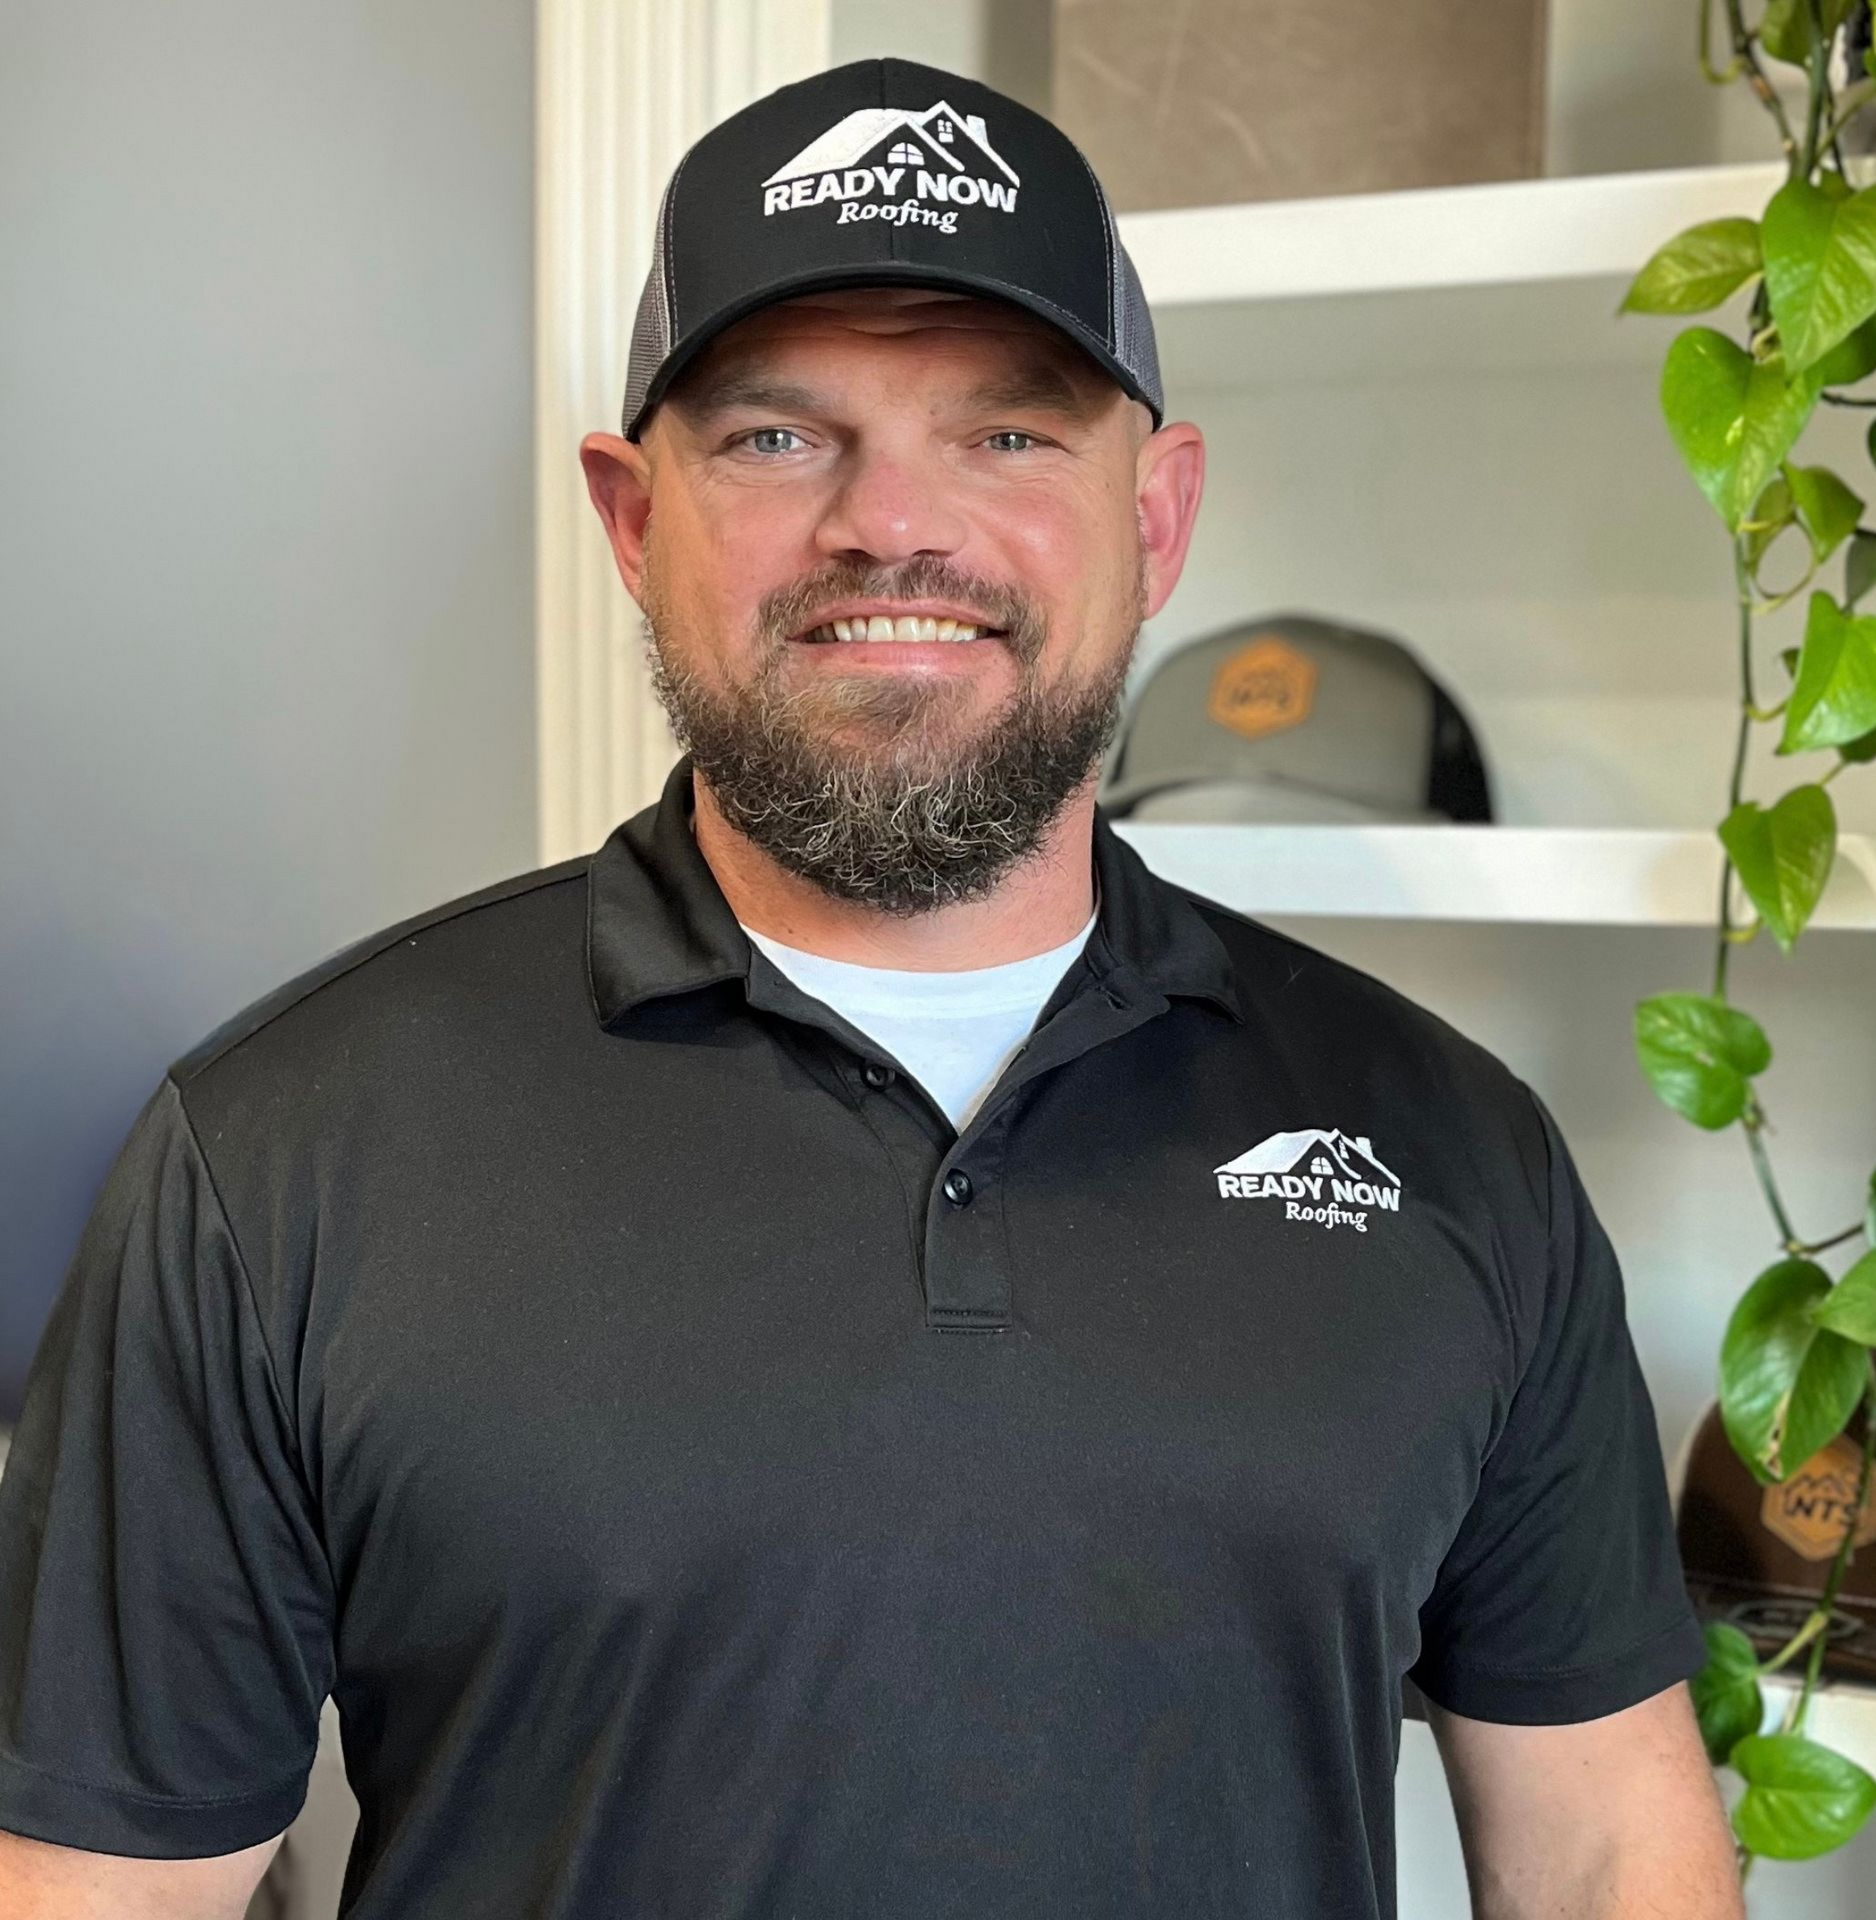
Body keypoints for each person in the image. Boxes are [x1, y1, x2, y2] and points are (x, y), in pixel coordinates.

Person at [0, 56, 1742, 1920]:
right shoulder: (280, 1158)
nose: (893, 523)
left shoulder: (1454, 1147)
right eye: (776, 436)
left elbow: (1607, 1850)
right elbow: (103, 1893)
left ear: (1157, 519)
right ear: (630, 519)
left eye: (1009, 434)